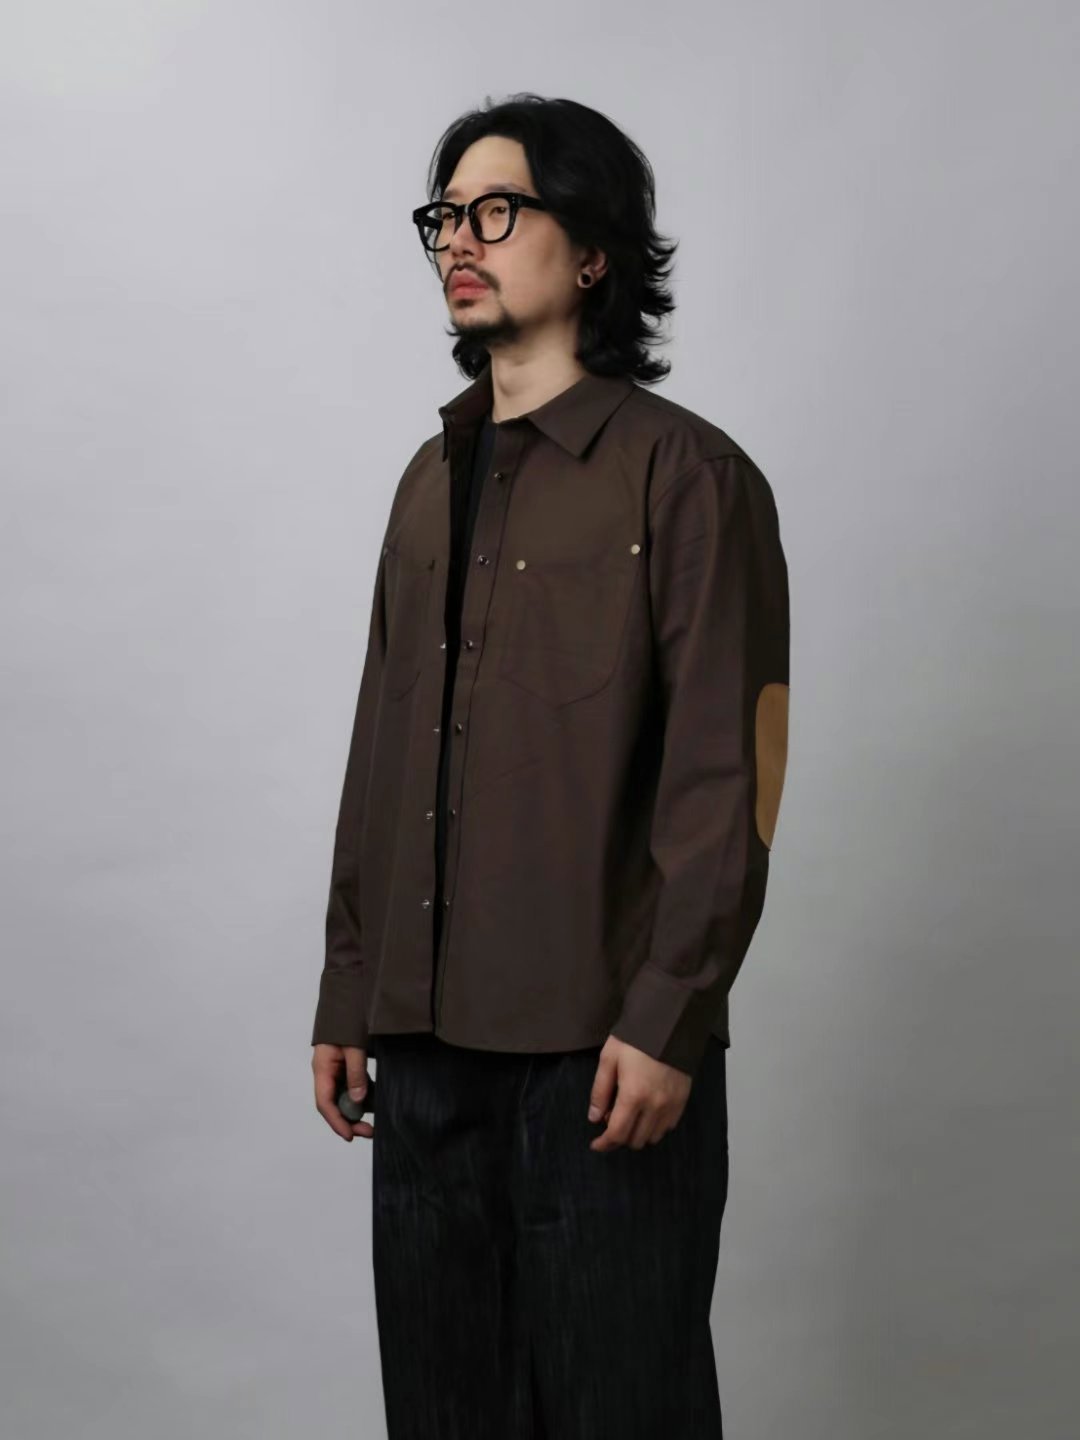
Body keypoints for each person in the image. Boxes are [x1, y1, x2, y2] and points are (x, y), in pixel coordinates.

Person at [310, 92, 790, 1439]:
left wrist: (669, 1014)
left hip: (602, 1056)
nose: (459, 239)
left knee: (618, 1406)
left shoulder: (689, 479)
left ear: (591, 253)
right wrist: (349, 984)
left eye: (497, 209)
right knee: (444, 1413)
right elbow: (381, 744)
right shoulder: (426, 481)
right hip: (422, 1053)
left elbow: (728, 778)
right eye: (445, 215)